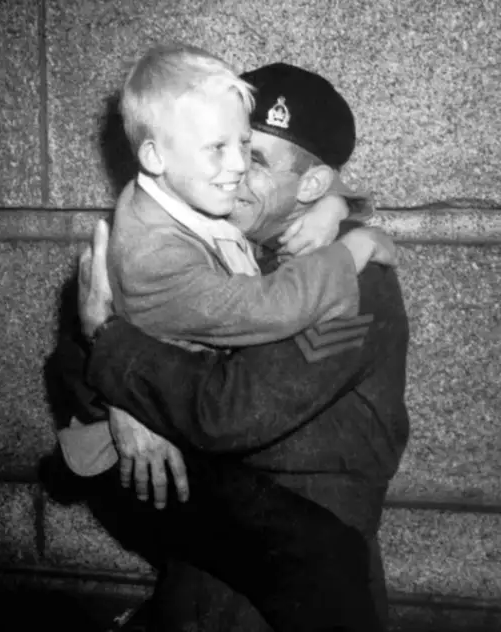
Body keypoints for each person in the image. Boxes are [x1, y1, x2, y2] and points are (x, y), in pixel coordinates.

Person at [55, 62, 409, 631]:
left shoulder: (356, 289)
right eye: (230, 147)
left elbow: (237, 411)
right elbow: (73, 355)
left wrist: (111, 346)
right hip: (207, 557)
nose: (236, 172)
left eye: (258, 159)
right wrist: (120, 406)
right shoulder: (208, 241)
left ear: (314, 186)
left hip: (298, 572)